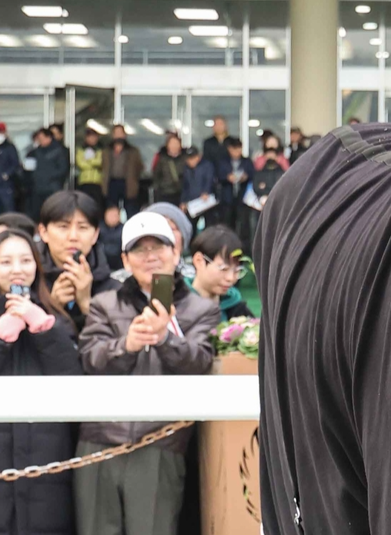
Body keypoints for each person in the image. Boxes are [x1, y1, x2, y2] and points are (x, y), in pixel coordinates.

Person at [75, 212, 218, 535]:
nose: (150, 256)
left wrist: (164, 339)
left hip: (161, 443)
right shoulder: (104, 304)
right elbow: (89, 359)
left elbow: (201, 361)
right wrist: (128, 344)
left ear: (175, 252)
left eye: (159, 247)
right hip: (99, 440)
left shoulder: (201, 309)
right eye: (140, 250)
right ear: (125, 259)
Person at [0, 228, 80, 535]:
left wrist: (43, 327)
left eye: (25, 260)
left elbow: (72, 381)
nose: (17, 268)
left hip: (46, 455)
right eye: (5, 261)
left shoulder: (54, 317)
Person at [37, 191, 120, 331]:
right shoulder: (28, 280)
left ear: (95, 235)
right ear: (43, 232)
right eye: (63, 227)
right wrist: (52, 307)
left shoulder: (115, 290)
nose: (73, 237)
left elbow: (120, 344)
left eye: (83, 227)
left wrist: (88, 305)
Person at [186, 226, 253, 321]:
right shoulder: (178, 306)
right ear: (199, 261)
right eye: (224, 269)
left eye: (237, 270)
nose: (230, 278)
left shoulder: (239, 313)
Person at [24, 128, 69, 221]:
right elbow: (29, 169)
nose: (40, 140)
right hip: (38, 188)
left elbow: (63, 169)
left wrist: (49, 177)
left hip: (52, 188)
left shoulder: (58, 150)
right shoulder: (35, 152)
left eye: (42, 138)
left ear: (48, 137)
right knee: (37, 214)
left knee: (53, 212)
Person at [221, 139, 255, 250]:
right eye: (234, 149)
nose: (236, 152)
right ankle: (227, 248)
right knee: (227, 225)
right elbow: (218, 176)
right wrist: (227, 177)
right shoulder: (223, 161)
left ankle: (243, 250)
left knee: (243, 225)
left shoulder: (247, 161)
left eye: (239, 149)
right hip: (227, 198)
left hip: (243, 197)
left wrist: (246, 177)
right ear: (229, 149)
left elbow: (253, 175)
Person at [101, 135, 144, 218]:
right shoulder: (107, 151)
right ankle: (112, 230)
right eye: (116, 133)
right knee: (112, 209)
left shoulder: (133, 151)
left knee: (131, 210)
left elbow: (139, 167)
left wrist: (134, 178)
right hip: (112, 183)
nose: (119, 135)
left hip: (128, 183)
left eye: (120, 133)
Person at [181, 147, 217, 230]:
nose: (191, 161)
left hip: (205, 202)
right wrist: (183, 201)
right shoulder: (186, 169)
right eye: (189, 159)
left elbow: (210, 180)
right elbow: (185, 186)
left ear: (199, 156)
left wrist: (206, 191)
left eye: (193, 158)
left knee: (209, 226)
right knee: (190, 227)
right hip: (192, 203)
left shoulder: (207, 165)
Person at [151, 133, 186, 207]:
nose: (174, 146)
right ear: (167, 145)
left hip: (181, 194)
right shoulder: (161, 158)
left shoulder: (185, 158)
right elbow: (156, 175)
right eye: (172, 143)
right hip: (165, 193)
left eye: (176, 143)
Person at [201, 116, 238, 183]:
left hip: (229, 177)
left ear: (226, 126)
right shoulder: (208, 142)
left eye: (221, 124)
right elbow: (206, 160)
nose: (218, 127)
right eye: (216, 124)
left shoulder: (232, 141)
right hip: (212, 177)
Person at [76, 128, 105, 208]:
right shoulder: (81, 150)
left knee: (97, 205)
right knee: (84, 204)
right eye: (90, 137)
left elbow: (100, 162)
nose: (92, 139)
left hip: (97, 182)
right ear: (86, 138)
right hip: (84, 181)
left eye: (94, 137)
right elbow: (81, 164)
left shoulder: (101, 150)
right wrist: (93, 161)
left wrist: (88, 160)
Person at [97, 206, 123, 273]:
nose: (111, 218)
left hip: (119, 265)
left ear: (119, 217)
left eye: (114, 215)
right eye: (109, 215)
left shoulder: (124, 229)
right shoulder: (98, 229)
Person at [0, 123, 19, 214]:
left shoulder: (9, 147)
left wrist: (6, 174)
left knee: (7, 208)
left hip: (5, 184)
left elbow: (15, 164)